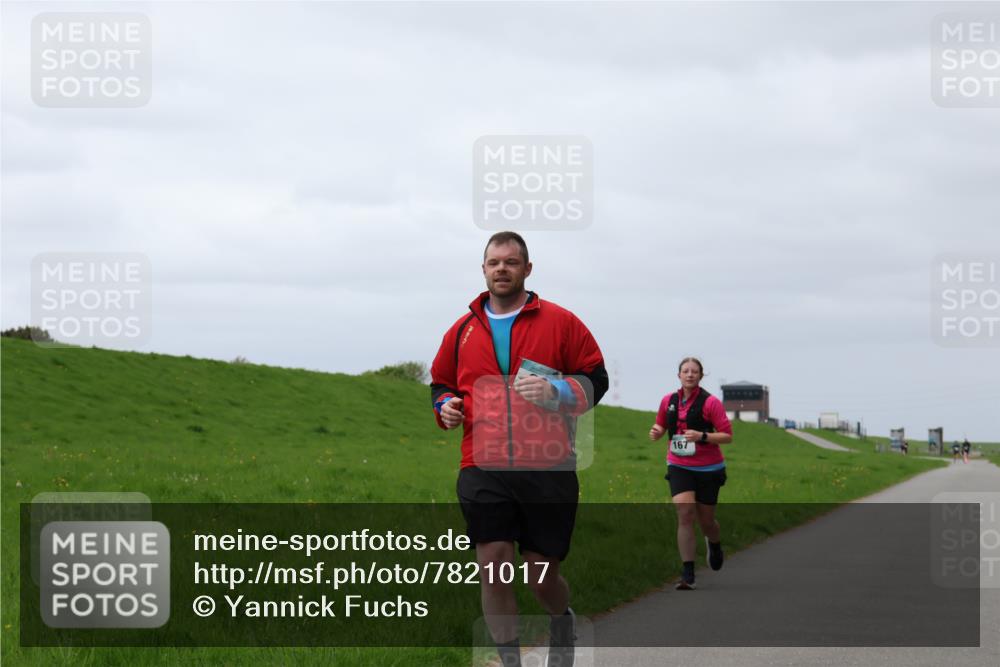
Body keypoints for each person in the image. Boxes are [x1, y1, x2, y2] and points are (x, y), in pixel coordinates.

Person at [430, 231, 608, 667]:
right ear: (483, 269)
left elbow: (596, 379)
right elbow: (441, 384)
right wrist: (445, 407)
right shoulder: (462, 330)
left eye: (511, 262)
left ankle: (560, 620)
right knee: (493, 565)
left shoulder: (561, 322)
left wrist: (557, 392)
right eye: (494, 262)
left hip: (547, 466)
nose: (502, 269)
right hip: (482, 465)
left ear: (527, 269)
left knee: (541, 575)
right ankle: (510, 660)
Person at [649, 358, 733, 590]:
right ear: (679, 375)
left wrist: (702, 436)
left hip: (709, 468)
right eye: (685, 371)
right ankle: (688, 573)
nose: (689, 375)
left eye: (694, 372)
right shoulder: (668, 401)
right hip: (679, 465)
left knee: (706, 521)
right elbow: (661, 425)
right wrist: (656, 431)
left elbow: (727, 435)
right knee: (685, 514)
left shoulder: (711, 403)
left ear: (701, 376)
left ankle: (714, 543)